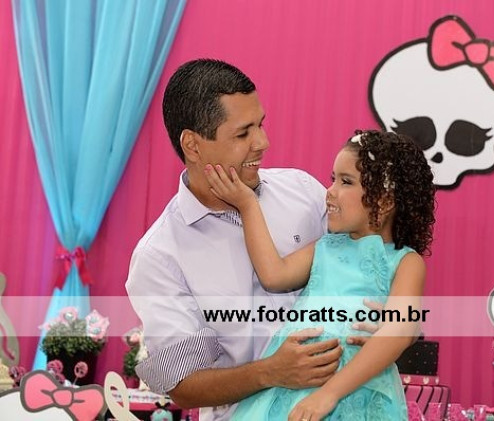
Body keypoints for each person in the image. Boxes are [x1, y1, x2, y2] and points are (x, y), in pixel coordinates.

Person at [125, 59, 376, 421]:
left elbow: (365, 265)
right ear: (193, 145)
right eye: (243, 134)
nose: (262, 143)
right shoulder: (161, 255)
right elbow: (182, 384)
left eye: (261, 124)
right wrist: (271, 372)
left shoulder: (304, 193)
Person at [204, 129, 436, 420]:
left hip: (358, 396)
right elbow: (273, 275)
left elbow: (399, 331)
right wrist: (248, 204)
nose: (330, 191)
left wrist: (329, 394)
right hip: (293, 390)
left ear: (384, 201)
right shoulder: (324, 248)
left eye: (346, 182)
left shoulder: (405, 262)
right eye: (333, 179)